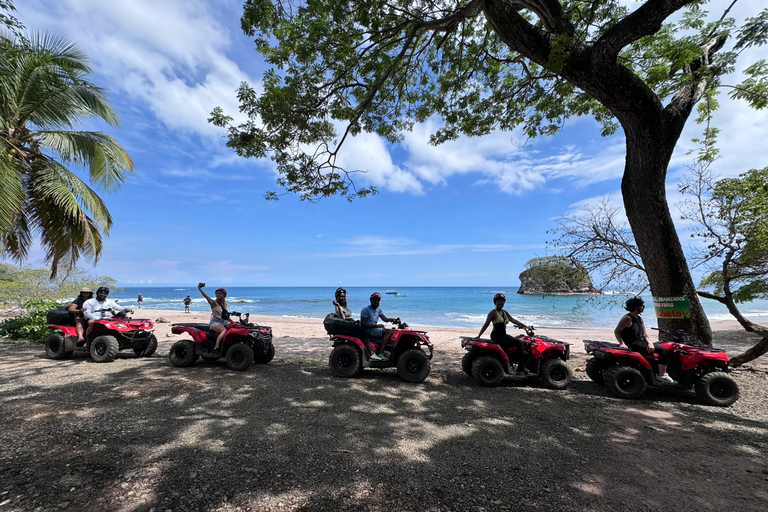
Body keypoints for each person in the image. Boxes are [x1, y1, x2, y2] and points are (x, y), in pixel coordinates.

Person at [614, 297, 676, 384]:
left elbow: (644, 334)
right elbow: (617, 331)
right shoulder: (627, 318)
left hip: (641, 342)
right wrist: (622, 343)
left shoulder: (639, 319)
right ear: (636, 307)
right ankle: (662, 375)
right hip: (633, 344)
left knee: (662, 344)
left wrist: (650, 343)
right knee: (664, 351)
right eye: (642, 305)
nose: (643, 307)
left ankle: (657, 370)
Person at [476, 293, 530, 375]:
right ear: (495, 302)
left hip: (503, 335)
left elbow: (513, 320)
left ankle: (511, 364)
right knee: (519, 343)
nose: (500, 303)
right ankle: (521, 367)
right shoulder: (493, 313)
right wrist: (479, 335)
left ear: (504, 302)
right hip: (497, 336)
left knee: (511, 347)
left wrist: (525, 326)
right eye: (498, 301)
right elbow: (486, 324)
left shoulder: (505, 312)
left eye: (502, 302)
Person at [331, 287, 380, 360]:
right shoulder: (338, 307)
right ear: (337, 297)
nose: (342, 298)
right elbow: (342, 318)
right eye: (341, 296)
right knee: (364, 335)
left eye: (344, 296)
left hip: (351, 325)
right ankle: (371, 353)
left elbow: (348, 317)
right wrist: (337, 305)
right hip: (347, 327)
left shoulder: (344, 306)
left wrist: (355, 321)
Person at [360, 292, 398, 359]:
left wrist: (391, 319)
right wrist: (377, 326)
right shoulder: (365, 309)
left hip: (374, 330)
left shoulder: (379, 310)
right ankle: (381, 352)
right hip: (367, 330)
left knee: (393, 332)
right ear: (371, 301)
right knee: (388, 332)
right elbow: (363, 324)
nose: (376, 303)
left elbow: (384, 318)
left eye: (377, 301)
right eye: (374, 301)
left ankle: (384, 350)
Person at [198, 283, 230, 355]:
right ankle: (216, 348)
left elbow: (226, 317)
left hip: (224, 321)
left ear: (223, 295)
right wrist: (199, 288)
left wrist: (234, 323)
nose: (218, 295)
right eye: (217, 293)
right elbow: (206, 296)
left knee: (234, 327)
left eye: (220, 293)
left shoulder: (224, 304)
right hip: (215, 322)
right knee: (223, 330)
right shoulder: (213, 303)